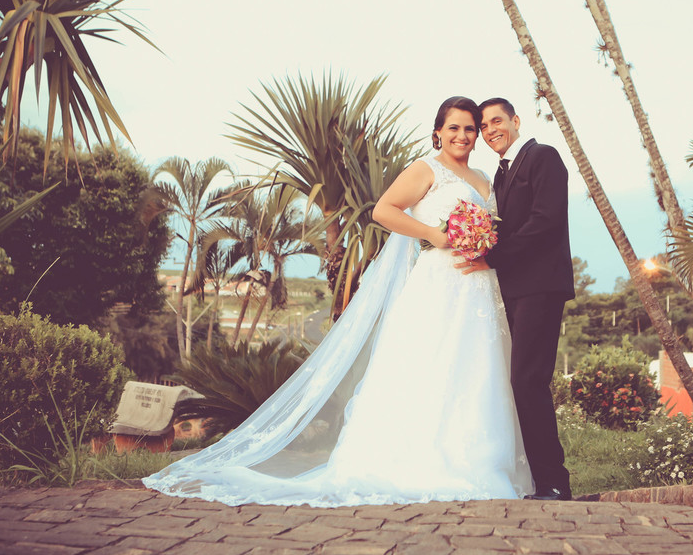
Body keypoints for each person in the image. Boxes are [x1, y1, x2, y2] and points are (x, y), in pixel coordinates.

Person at [143, 97, 532, 507]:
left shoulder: (485, 177)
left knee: (479, 370)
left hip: (481, 287)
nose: (463, 136)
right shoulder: (425, 169)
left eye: (470, 128)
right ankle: (428, 461)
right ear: (438, 131)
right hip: (439, 283)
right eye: (454, 127)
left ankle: (481, 463)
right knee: (434, 366)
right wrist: (433, 236)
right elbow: (384, 210)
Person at [457, 97, 574, 501]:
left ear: (516, 120)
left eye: (495, 122)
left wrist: (493, 256)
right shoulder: (502, 174)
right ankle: (542, 480)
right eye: (484, 126)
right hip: (514, 288)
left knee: (529, 380)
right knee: (520, 381)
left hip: (541, 285)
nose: (490, 131)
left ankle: (555, 482)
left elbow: (546, 220)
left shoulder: (543, 157)